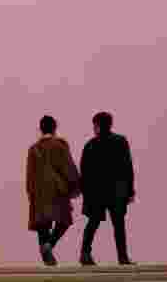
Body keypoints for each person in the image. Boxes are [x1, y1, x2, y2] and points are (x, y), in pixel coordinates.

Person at [79, 111, 136, 266]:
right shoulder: (120, 141)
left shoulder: (90, 145)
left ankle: (85, 253)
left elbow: (84, 172)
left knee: (93, 222)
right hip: (117, 191)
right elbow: (127, 167)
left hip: (96, 192)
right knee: (118, 225)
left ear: (97, 125)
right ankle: (122, 257)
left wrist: (86, 193)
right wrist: (130, 191)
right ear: (110, 124)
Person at [26, 115, 81, 266]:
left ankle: (47, 258)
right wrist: (75, 187)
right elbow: (68, 167)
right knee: (64, 221)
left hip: (39, 193)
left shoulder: (33, 149)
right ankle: (49, 246)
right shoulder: (60, 145)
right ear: (55, 128)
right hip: (57, 191)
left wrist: (31, 193)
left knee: (42, 226)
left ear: (40, 128)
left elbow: (29, 174)